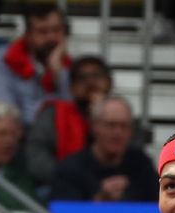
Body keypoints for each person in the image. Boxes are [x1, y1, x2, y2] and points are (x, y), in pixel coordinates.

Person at [50, 95, 158, 202]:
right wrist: (100, 200)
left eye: (124, 126)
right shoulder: (70, 169)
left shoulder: (142, 164)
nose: (118, 133)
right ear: (94, 127)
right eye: (111, 125)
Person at [27, 55, 113, 186]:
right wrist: (68, 176)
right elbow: (36, 156)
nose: (90, 83)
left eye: (97, 76)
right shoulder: (54, 114)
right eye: (82, 78)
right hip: (64, 186)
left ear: (109, 82)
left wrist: (101, 116)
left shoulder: (122, 116)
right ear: (72, 87)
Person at [0, 4, 72, 124]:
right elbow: (6, 112)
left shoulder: (69, 66)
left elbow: (72, 116)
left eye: (56, 30)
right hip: (17, 135)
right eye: (42, 31)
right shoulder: (1, 59)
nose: (51, 37)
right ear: (28, 35)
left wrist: (59, 74)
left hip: (57, 137)